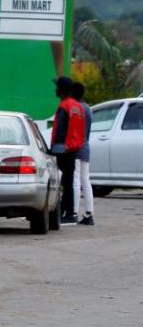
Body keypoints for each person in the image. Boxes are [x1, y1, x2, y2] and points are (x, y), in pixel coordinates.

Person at [49, 76, 86, 225]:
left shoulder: (64, 106)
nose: (55, 90)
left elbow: (60, 130)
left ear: (62, 90)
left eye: (57, 87)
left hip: (63, 148)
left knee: (61, 182)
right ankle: (69, 212)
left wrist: (53, 149)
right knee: (68, 181)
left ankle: (66, 213)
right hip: (73, 147)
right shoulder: (78, 106)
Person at [71, 82, 94, 226]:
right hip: (86, 147)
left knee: (75, 180)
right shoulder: (88, 108)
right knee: (86, 180)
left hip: (76, 148)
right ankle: (89, 213)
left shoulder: (76, 108)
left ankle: (73, 212)